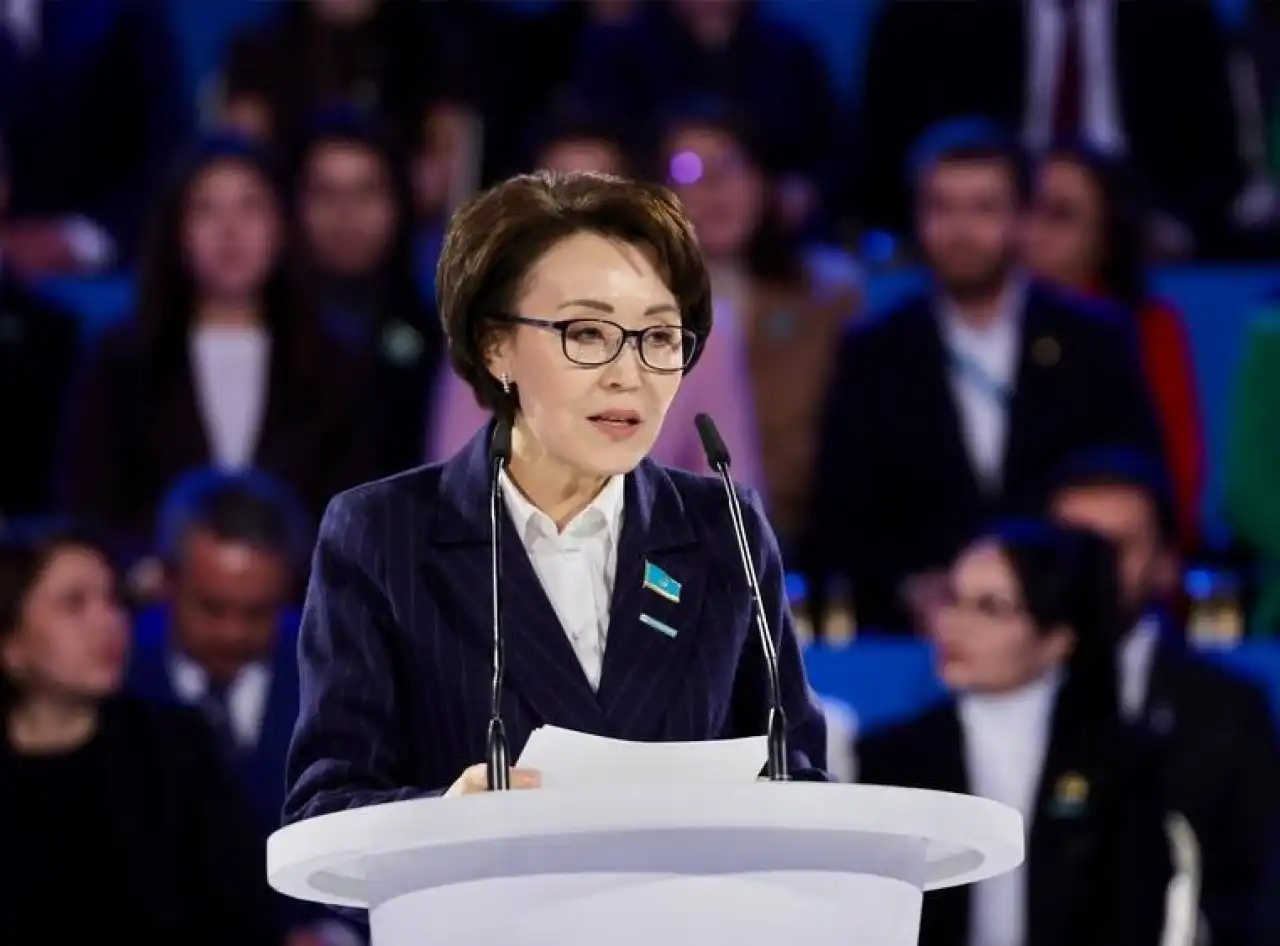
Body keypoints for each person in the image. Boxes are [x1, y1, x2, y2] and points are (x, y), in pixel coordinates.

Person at [285, 170, 828, 819]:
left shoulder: (724, 530)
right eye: (588, 333)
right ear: (496, 347)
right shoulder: (381, 534)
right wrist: (441, 817)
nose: (628, 375)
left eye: (658, 337)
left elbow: (797, 780)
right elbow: (326, 807)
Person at [803, 120, 1163, 634]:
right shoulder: (874, 351)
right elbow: (839, 517)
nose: (961, 231)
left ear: (1022, 218)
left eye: (984, 208)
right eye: (941, 208)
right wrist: (907, 587)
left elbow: (1132, 487)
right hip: (920, 633)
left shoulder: (1093, 339)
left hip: (1068, 622)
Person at [857, 519, 1172, 946]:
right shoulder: (891, 756)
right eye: (952, 599)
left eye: (990, 607)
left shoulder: (1121, 760)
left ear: (1057, 639)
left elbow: (1133, 912)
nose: (954, 624)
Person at [0, 522, 279, 945]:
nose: (108, 622)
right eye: (75, 604)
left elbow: (245, 915)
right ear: (11, 644)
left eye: (113, 600)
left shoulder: (176, 749)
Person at [1050, 447, 1280, 946]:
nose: (1093, 569)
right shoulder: (981, 700)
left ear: (1166, 563)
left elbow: (1256, 891)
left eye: (1116, 548)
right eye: (1071, 547)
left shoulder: (1229, 711)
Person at [1023, 144, 1205, 549]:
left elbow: (1176, 471)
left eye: (1061, 215)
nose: (1034, 230)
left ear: (1106, 235)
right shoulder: (986, 328)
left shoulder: (1148, 327)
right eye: (1029, 207)